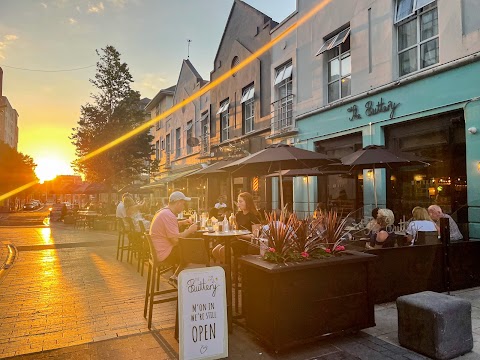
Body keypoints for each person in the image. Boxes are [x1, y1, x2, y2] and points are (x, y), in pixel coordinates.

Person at [149, 191, 198, 283]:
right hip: (164, 254)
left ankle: (176, 277)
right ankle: (189, 284)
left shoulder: (164, 212)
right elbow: (176, 240)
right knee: (193, 252)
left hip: (159, 251)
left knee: (188, 250)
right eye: (183, 204)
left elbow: (167, 227)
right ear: (178, 203)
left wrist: (181, 223)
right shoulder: (168, 215)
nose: (183, 207)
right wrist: (189, 230)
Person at [212, 192, 261, 262]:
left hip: (247, 242)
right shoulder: (238, 214)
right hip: (237, 239)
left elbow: (255, 235)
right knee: (215, 251)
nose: (238, 204)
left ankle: (230, 271)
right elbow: (236, 229)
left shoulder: (254, 215)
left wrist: (241, 236)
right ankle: (228, 268)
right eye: (238, 201)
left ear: (247, 202)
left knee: (223, 250)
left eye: (241, 201)